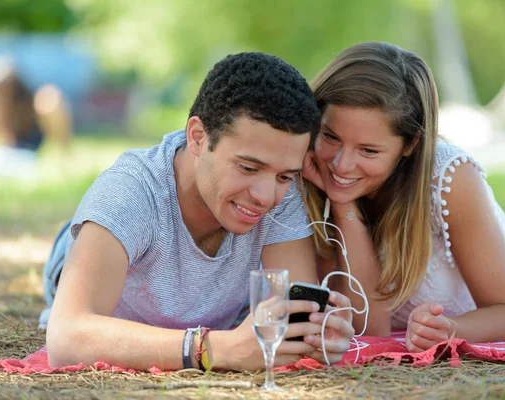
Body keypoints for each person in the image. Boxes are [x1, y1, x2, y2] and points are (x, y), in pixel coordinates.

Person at [42, 52, 354, 371]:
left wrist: (316, 335)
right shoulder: (128, 193)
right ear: (197, 138)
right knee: (98, 238)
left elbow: (289, 319)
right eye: (248, 167)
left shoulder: (281, 191)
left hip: (192, 292)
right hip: (104, 253)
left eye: (285, 176)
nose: (265, 196)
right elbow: (66, 338)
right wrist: (213, 349)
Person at [302, 42, 505, 352]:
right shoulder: (310, 168)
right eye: (331, 136)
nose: (341, 164)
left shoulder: (449, 179)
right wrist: (342, 205)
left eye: (368, 150)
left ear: (411, 145)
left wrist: (451, 329)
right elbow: (371, 326)